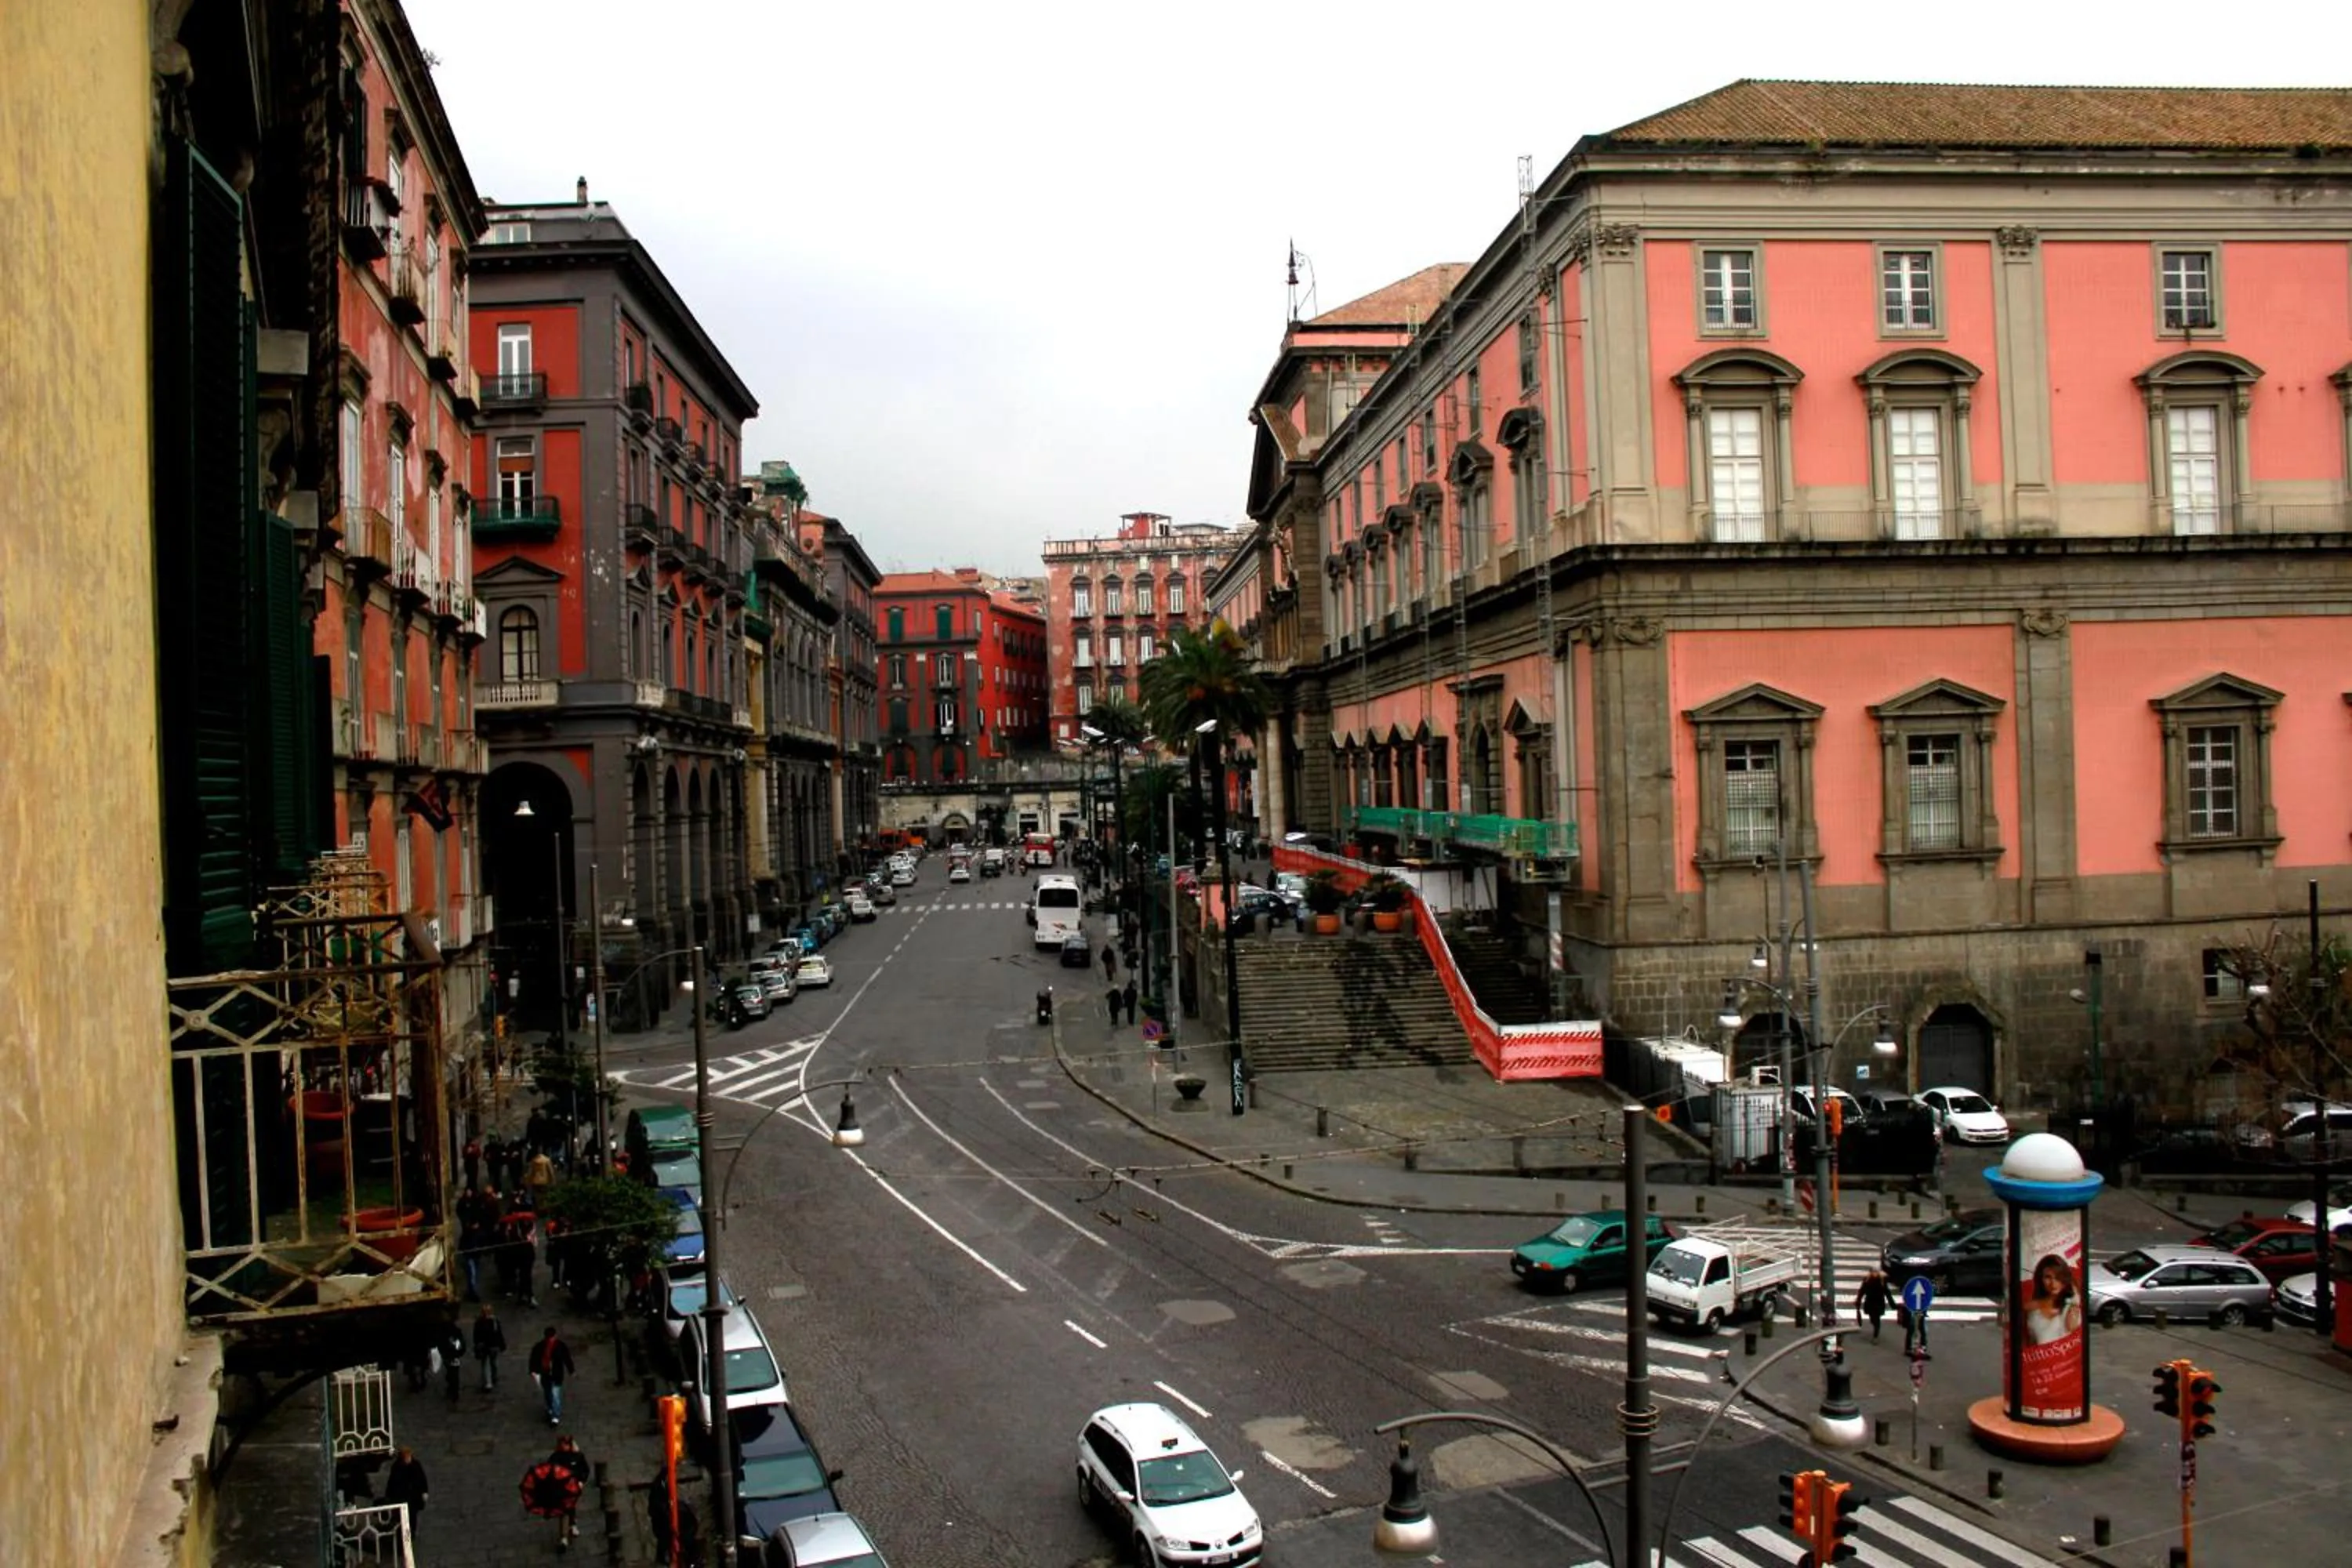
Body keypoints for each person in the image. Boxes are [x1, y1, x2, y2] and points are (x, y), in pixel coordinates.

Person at [2021, 1254, 2083, 1345]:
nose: (2053, 1284)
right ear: (2040, 1279)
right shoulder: (2031, 1309)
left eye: (2058, 1277)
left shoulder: (2073, 1305)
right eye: (2048, 1277)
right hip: (2041, 1357)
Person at [549, 1434, 590, 1551]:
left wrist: (581, 1481)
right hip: (561, 1488)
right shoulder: (555, 1457)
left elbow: (585, 1470)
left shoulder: (578, 1456)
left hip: (574, 1487)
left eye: (566, 1444)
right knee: (564, 1510)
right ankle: (564, 1537)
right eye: (562, 1444)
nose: (564, 1446)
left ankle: (572, 1524)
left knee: (571, 1507)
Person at [529, 1325, 575, 1425]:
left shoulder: (557, 1346)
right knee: (548, 1393)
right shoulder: (543, 1346)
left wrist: (571, 1369)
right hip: (546, 1374)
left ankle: (555, 1415)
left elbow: (567, 1358)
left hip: (555, 1374)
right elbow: (534, 1358)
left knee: (555, 1394)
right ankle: (551, 1408)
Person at [383, 1446, 429, 1519]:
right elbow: (392, 1482)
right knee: (403, 1516)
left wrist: (424, 1491)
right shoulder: (397, 1466)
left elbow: (422, 1479)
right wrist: (389, 1496)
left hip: (414, 1496)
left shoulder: (416, 1465)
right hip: (402, 1496)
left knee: (412, 1516)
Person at [474, 1303, 507, 1392]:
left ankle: (490, 1380)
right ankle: (490, 1381)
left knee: (490, 1363)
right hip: (490, 1346)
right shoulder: (493, 1321)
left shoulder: (482, 1321)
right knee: (490, 1363)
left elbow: (477, 1335)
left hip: (490, 1346)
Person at [1854, 1270, 1891, 1341]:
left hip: (1879, 1303)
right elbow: (1862, 1291)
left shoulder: (1882, 1281)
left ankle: (1875, 1336)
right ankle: (1875, 1332)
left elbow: (1887, 1293)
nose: (1875, 1274)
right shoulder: (1867, 1281)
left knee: (1877, 1320)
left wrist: (1893, 1305)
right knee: (1873, 1319)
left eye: (1876, 1272)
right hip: (1870, 1303)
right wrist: (1858, 1300)